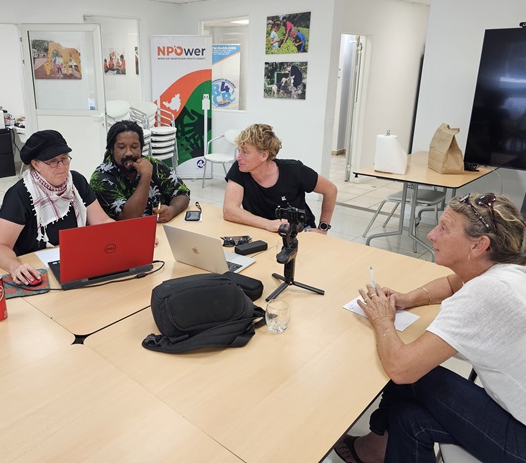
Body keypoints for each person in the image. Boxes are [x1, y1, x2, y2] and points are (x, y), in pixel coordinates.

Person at [335, 193, 526, 463]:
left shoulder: (485, 293)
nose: (431, 235)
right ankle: (376, 450)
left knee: (414, 376)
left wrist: (382, 320)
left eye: (444, 228)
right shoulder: (508, 270)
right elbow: (451, 284)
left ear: (478, 245)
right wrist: (407, 298)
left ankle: (373, 448)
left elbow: (402, 369)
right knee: (408, 418)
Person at [0, 130, 114, 285]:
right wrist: (15, 267)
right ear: (36, 164)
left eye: (64, 158)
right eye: (53, 161)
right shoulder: (20, 194)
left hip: (75, 261)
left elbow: (101, 221)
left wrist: (124, 237)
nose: (61, 166)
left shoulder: (76, 182)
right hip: (36, 271)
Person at [223, 123, 337, 233]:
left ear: (264, 155)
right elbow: (229, 210)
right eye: (239, 151)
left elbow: (331, 190)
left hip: (301, 232)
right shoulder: (240, 168)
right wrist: (268, 224)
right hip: (264, 230)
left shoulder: (294, 170)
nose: (238, 157)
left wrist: (323, 228)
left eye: (245, 152)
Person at [90, 120, 190, 223]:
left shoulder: (154, 164)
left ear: (141, 147)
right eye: (121, 147)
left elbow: (183, 193)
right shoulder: (101, 178)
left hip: (160, 229)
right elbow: (129, 218)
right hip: (124, 232)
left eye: (134, 147)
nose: (129, 153)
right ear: (111, 149)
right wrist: (146, 176)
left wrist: (172, 210)